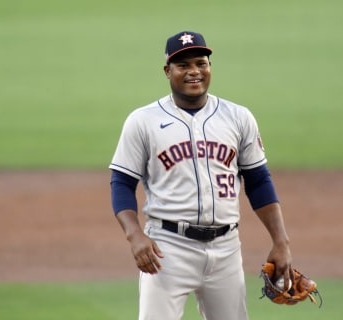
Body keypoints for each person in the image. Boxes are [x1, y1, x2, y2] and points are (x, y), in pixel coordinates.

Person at [109, 31, 293, 320]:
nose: (194, 71)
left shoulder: (238, 117)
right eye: (183, 65)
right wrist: (135, 236)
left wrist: (281, 241)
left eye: (201, 63)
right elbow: (121, 183)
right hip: (167, 249)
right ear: (167, 71)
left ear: (209, 67)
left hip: (226, 249)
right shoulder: (143, 121)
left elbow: (258, 181)